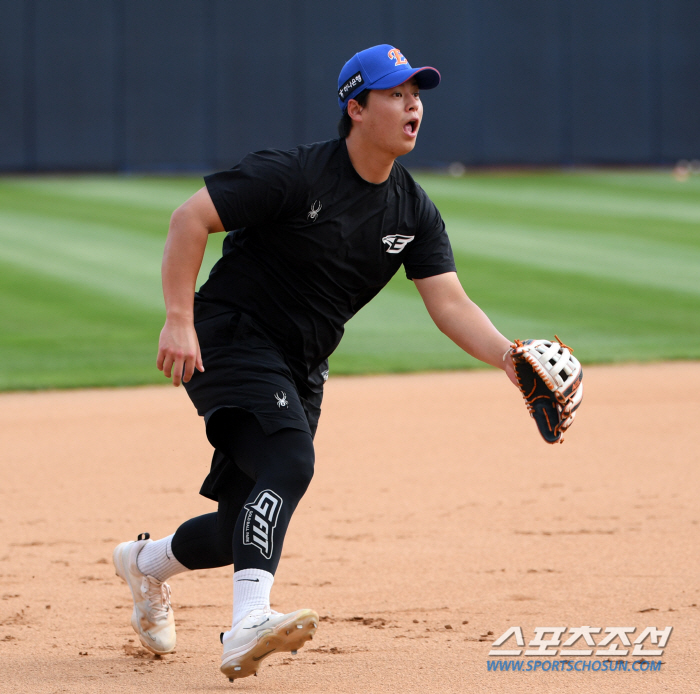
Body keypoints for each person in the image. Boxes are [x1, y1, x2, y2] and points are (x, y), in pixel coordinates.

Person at [113, 44, 518, 681]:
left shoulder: (412, 210)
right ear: (355, 108)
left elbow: (450, 302)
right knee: (290, 458)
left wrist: (510, 360)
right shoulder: (295, 174)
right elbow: (190, 218)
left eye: (417, 93)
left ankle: (144, 563)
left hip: (301, 364)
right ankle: (247, 621)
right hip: (231, 334)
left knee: (238, 524)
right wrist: (179, 318)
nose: (413, 105)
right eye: (395, 93)